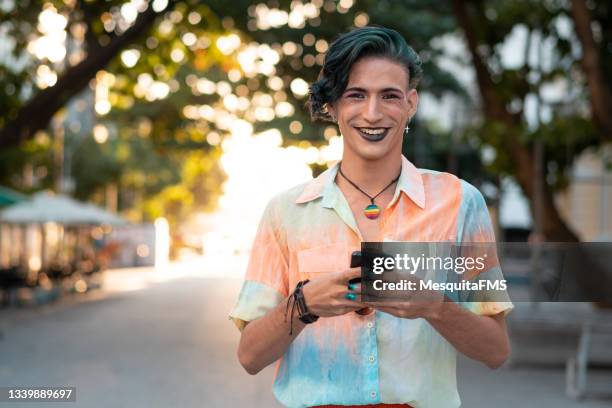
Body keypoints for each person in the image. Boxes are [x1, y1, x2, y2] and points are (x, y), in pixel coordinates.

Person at [229, 26, 513, 408]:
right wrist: (305, 302)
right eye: (356, 95)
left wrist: (433, 305)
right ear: (333, 105)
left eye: (390, 96)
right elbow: (250, 357)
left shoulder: (460, 203)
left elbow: (496, 350)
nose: (373, 113)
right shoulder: (286, 212)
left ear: (411, 103)